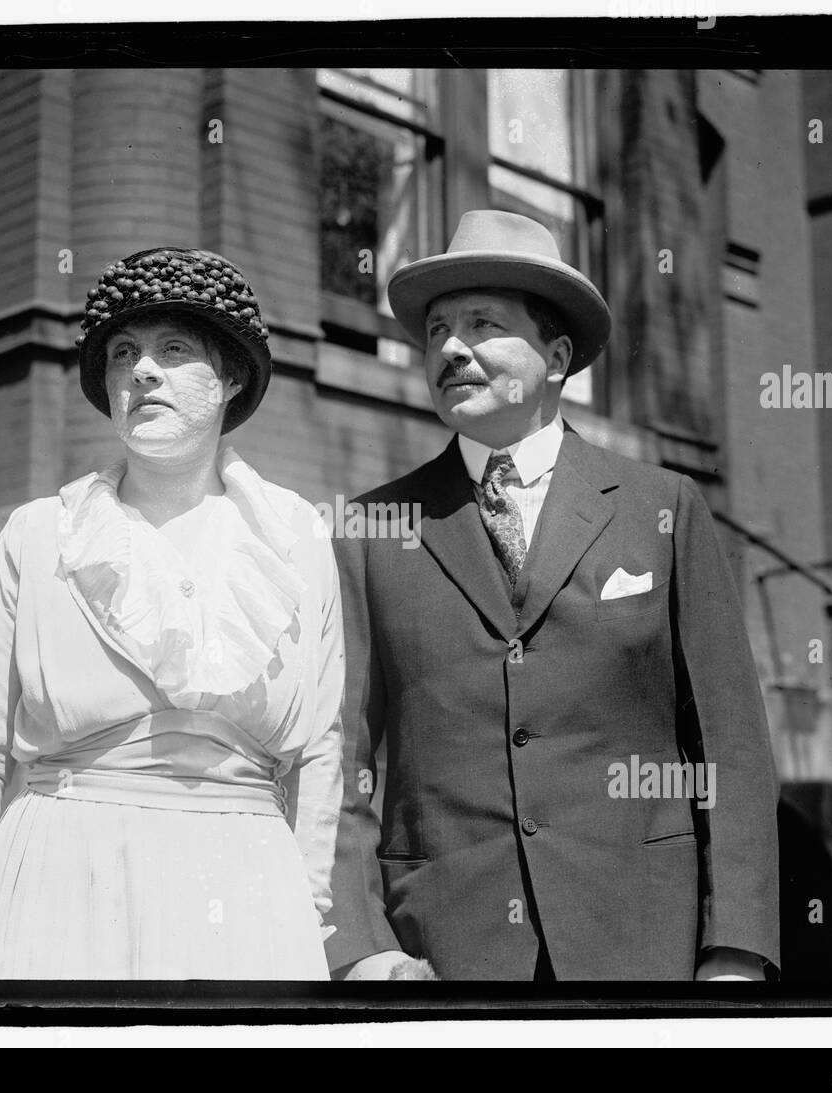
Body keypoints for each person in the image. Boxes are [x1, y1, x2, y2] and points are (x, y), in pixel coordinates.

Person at [325, 211, 780, 981]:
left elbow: (729, 749)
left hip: (642, 952)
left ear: (558, 354)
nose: (451, 349)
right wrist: (365, 950)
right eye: (436, 330)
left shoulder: (662, 509)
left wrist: (733, 953)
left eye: (482, 324)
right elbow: (340, 759)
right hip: (440, 962)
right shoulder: (371, 530)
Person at [0, 247, 344, 980]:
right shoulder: (41, 535)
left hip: (249, 898)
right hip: (65, 887)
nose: (143, 371)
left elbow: (321, 753)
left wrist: (302, 915)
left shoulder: (295, 539)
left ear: (230, 377)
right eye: (123, 354)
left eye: (174, 350)